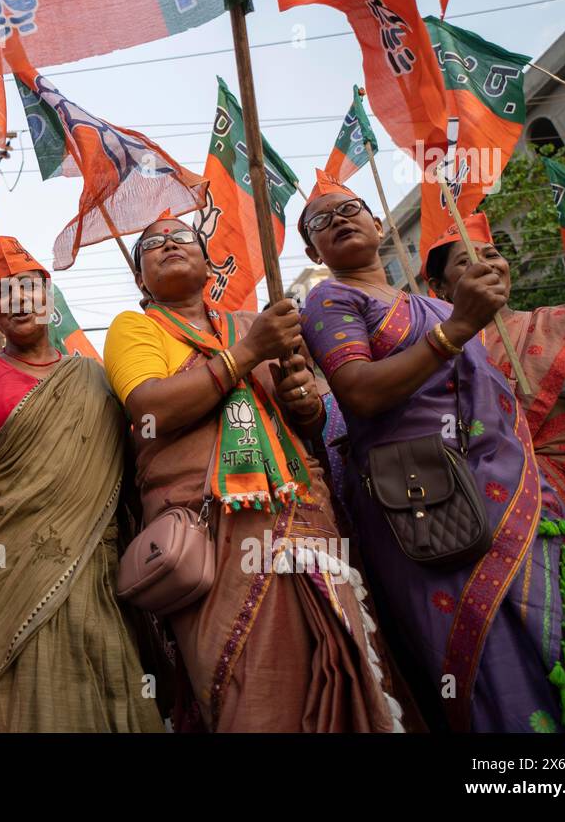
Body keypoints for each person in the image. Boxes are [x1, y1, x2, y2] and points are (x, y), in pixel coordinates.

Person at [298, 185, 565, 732]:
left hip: (511, 489)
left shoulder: (436, 306)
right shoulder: (331, 300)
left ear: (379, 225)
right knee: (485, 652)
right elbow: (360, 395)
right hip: (426, 501)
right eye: (322, 220)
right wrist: (457, 328)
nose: (340, 219)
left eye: (351, 209)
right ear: (314, 253)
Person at [0, 148, 162, 732]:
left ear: (48, 297)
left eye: (29, 289)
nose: (18, 301)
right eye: (2, 295)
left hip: (93, 569)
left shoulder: (95, 375)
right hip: (1, 575)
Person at [103, 215, 402, 732]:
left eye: (182, 238)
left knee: (341, 662)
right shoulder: (137, 328)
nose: (169, 244)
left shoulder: (251, 323)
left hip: (302, 517)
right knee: (246, 684)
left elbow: (304, 419)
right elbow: (150, 410)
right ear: (139, 280)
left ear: (208, 263)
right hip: (211, 531)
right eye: (152, 244)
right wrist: (248, 353)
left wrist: (301, 399)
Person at [425, 212, 565, 620]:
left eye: (492, 253)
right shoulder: (436, 358)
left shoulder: (559, 321)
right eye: (466, 260)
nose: (486, 263)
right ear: (439, 288)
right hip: (512, 504)